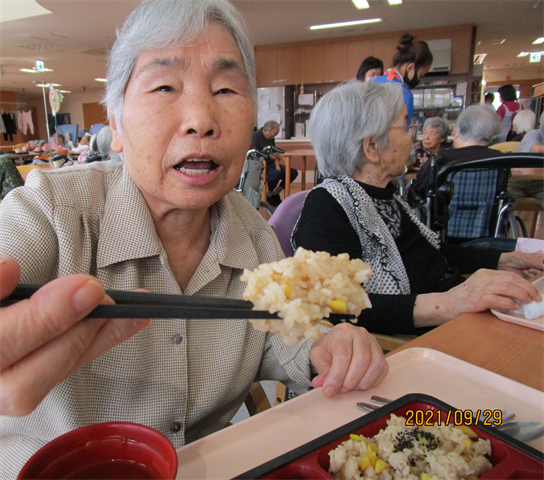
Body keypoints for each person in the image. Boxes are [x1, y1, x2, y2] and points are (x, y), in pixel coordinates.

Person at [0, 1, 388, 477]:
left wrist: (329, 347)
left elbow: (278, 336)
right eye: (164, 86)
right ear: (116, 124)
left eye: (226, 89)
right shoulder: (48, 213)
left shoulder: (251, 232)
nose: (201, 119)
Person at [291, 81, 544, 336]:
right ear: (372, 147)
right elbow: (335, 304)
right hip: (424, 341)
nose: (414, 134)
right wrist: (449, 303)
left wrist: (502, 260)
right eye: (405, 125)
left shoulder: (385, 196)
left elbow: (432, 251)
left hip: (456, 319)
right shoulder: (327, 205)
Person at [413, 104, 503, 199]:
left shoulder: (440, 158)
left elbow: (419, 189)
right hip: (488, 213)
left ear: (457, 132)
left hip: (444, 213)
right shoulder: (499, 158)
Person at [374, 34, 433, 121]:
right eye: (420, 75)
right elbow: (405, 131)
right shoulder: (404, 93)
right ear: (410, 68)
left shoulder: (372, 82)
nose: (419, 79)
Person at [251, 120, 298, 206]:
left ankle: (275, 193)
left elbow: (274, 153)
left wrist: (277, 164)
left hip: (271, 164)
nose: (273, 137)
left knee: (292, 172)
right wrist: (269, 157)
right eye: (273, 135)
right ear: (265, 131)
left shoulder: (271, 138)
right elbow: (255, 153)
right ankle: (270, 193)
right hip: (261, 165)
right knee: (276, 174)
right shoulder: (255, 136)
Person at [508, 111, 544, 206]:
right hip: (518, 180)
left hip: (541, 183)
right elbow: (536, 150)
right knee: (505, 206)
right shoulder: (533, 134)